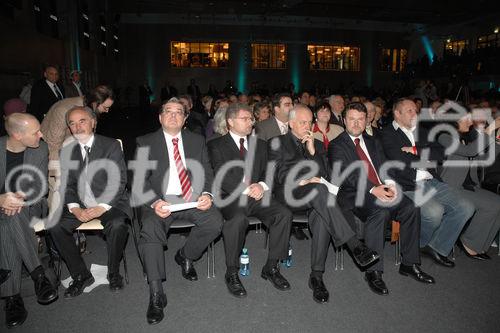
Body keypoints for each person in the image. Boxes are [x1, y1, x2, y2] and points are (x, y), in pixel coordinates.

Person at [268, 104, 380, 304]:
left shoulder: (317, 144)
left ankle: (316, 276)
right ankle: (354, 245)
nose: (308, 126)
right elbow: (279, 174)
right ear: (291, 123)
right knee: (319, 190)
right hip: (288, 195)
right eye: (303, 122)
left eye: (310, 122)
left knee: (321, 216)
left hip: (316, 198)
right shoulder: (276, 142)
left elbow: (327, 174)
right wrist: (307, 178)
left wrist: (312, 152)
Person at [329, 102, 434, 295]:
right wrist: (373, 190)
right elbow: (347, 175)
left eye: (360, 119)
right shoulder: (337, 145)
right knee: (379, 211)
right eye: (351, 119)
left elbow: (385, 166)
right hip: (356, 194)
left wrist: (390, 185)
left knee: (411, 207)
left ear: (366, 120)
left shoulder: (373, 140)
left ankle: (409, 264)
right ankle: (373, 272)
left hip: (381, 188)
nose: (356, 123)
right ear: (344, 120)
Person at [135, 97, 222, 325]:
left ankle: (185, 255)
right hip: (161, 200)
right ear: (160, 117)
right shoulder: (145, 142)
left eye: (178, 112)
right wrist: (155, 203)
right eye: (168, 111)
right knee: (150, 227)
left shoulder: (197, 140)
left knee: (214, 221)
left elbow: (207, 171)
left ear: (185, 119)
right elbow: (138, 182)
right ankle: (156, 293)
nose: (173, 115)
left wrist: (207, 194)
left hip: (191, 198)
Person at [208, 103, 293, 298]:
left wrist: (261, 185)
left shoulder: (260, 144)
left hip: (256, 195)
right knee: (237, 220)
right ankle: (232, 271)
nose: (250, 122)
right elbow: (222, 175)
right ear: (230, 121)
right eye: (245, 119)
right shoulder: (216, 145)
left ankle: (271, 267)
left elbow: (270, 172)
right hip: (231, 197)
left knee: (283, 214)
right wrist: (248, 188)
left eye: (251, 119)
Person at [381, 98, 475, 267]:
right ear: (397, 113)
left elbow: (440, 154)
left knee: (466, 208)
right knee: (434, 212)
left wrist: (416, 149)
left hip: (432, 181)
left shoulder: (423, 131)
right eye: (409, 110)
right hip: (408, 184)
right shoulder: (387, 134)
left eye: (415, 110)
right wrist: (424, 155)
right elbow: (399, 160)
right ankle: (419, 245)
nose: (414, 113)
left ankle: (436, 247)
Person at [49, 106, 131, 298]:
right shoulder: (66, 151)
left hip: (111, 202)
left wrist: (101, 208)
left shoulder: (110, 145)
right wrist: (75, 208)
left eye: (82, 121)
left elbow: (119, 181)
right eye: (72, 123)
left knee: (118, 224)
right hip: (81, 203)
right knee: (55, 226)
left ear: (93, 122)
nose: (77, 127)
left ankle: (113, 273)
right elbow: (67, 185)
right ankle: (81, 275)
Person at [0, 113, 58, 329]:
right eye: (36, 132)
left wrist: (17, 198)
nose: (41, 135)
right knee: (7, 221)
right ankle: (38, 275)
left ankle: (11, 298)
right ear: (17, 134)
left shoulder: (39, 149)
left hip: (31, 206)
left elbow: (41, 187)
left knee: (9, 217)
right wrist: (1, 199)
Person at [438, 112, 500, 259]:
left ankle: (480, 245)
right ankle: (469, 243)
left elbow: (484, 159)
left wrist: (497, 142)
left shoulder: (465, 140)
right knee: (490, 206)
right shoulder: (444, 137)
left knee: (498, 202)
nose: (470, 122)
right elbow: (469, 151)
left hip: (468, 187)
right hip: (450, 188)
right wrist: (490, 129)